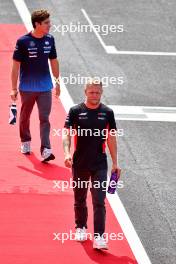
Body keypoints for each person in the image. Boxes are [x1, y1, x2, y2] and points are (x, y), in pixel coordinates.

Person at [62, 79, 121, 250]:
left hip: (100, 164)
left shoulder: (108, 112)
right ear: (85, 92)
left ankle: (99, 237)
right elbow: (66, 134)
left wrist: (115, 162)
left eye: (97, 92)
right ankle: (80, 227)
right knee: (79, 198)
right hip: (80, 163)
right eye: (91, 92)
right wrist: (66, 153)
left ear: (101, 93)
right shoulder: (75, 111)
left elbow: (111, 138)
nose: (94, 95)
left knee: (99, 201)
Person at [10, 9, 60, 162]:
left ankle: (46, 150)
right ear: (37, 24)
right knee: (25, 117)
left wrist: (57, 82)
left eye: (49, 22)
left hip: (45, 87)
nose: (49, 25)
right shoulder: (23, 41)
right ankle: (25, 141)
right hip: (27, 88)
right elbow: (15, 66)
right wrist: (13, 88)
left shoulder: (50, 39)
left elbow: (53, 61)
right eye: (46, 23)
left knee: (44, 118)